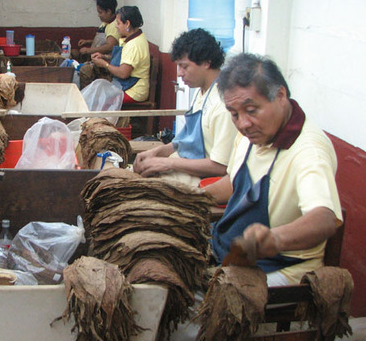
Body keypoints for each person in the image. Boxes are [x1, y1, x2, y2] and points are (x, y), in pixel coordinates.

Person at [205, 53, 342, 286]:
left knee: (192, 305)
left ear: (280, 96)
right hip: (226, 246)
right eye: (234, 114)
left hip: (281, 265)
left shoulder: (309, 151)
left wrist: (274, 239)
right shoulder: (253, 135)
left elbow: (324, 218)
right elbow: (235, 182)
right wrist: (186, 197)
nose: (243, 123)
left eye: (251, 110)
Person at [133, 28, 238, 186]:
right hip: (185, 166)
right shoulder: (202, 91)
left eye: (184, 66)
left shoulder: (224, 105)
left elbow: (220, 167)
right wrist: (157, 152)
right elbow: (188, 140)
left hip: (205, 180)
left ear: (206, 62)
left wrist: (167, 163)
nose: (179, 73)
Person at [84, 5, 150, 102]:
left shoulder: (134, 45)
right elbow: (125, 60)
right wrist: (104, 57)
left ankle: (100, 117)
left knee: (98, 98)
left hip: (133, 91)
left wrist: (104, 64)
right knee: (96, 91)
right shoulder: (136, 37)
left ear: (127, 24)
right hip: (128, 85)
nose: (116, 26)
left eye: (118, 23)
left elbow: (123, 73)